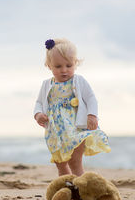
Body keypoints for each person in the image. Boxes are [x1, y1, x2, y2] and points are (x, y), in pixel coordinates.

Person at [33, 38, 111, 177]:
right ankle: (68, 188)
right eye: (58, 66)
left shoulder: (78, 81)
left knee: (75, 162)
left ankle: (82, 189)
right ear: (49, 65)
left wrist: (92, 115)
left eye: (68, 65)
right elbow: (39, 102)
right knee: (60, 162)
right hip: (56, 132)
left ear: (75, 63)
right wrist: (38, 114)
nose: (64, 70)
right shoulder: (46, 84)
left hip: (76, 128)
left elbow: (91, 99)